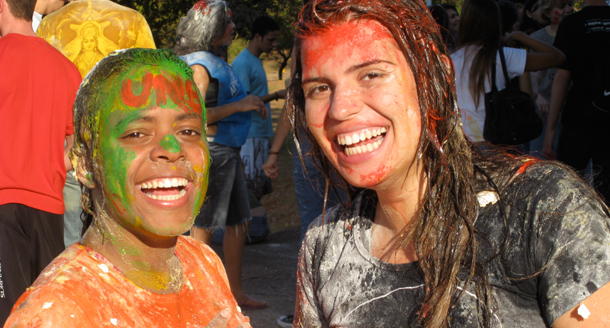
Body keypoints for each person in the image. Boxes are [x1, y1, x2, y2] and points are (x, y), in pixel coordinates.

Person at [287, 0, 610, 327]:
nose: (340, 109)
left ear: (436, 76)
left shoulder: (545, 211)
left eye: (371, 74)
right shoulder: (323, 247)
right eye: (320, 88)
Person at [4, 48, 251, 328]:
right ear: (85, 163)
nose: (172, 150)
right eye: (136, 134)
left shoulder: (203, 261)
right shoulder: (57, 314)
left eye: (188, 132)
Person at [37, 0, 157, 247]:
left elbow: (42, 85)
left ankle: (75, 282)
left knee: (71, 235)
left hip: (68, 142)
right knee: (121, 228)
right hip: (120, 141)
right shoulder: (132, 21)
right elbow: (151, 85)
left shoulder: (50, 24)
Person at [174, 0, 268, 310]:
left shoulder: (212, 61)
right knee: (204, 227)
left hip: (227, 152)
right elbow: (194, 118)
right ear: (210, 29)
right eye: (226, 23)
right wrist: (241, 106)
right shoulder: (200, 65)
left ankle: (234, 293)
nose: (233, 27)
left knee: (238, 223)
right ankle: (194, 298)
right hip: (212, 153)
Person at [0, 0, 81, 324]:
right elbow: (81, 146)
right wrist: (54, 164)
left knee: (8, 313)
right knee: (45, 310)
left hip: (4, 206)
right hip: (49, 207)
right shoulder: (65, 66)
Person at [452, 0, 564, 148]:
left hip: (465, 142)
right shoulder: (504, 56)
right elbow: (557, 57)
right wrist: (520, 36)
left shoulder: (451, 59)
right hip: (500, 141)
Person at [542, 0, 610, 206]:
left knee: (568, 188)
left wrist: (551, 128)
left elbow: (562, 77)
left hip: (578, 117)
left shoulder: (573, 23)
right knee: (606, 194)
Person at [232, 15, 286, 235]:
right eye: (270, 40)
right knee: (249, 189)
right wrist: (275, 95)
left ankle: (253, 234)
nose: (273, 45)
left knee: (259, 189)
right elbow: (243, 100)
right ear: (257, 36)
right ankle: (245, 238)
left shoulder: (255, 61)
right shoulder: (243, 63)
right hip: (249, 135)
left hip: (261, 134)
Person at [527, 0, 573, 157]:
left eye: (570, 5)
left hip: (569, 110)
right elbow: (529, 73)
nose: (569, 9)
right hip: (543, 111)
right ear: (547, 13)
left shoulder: (576, 34)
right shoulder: (537, 38)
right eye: (561, 7)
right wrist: (536, 95)